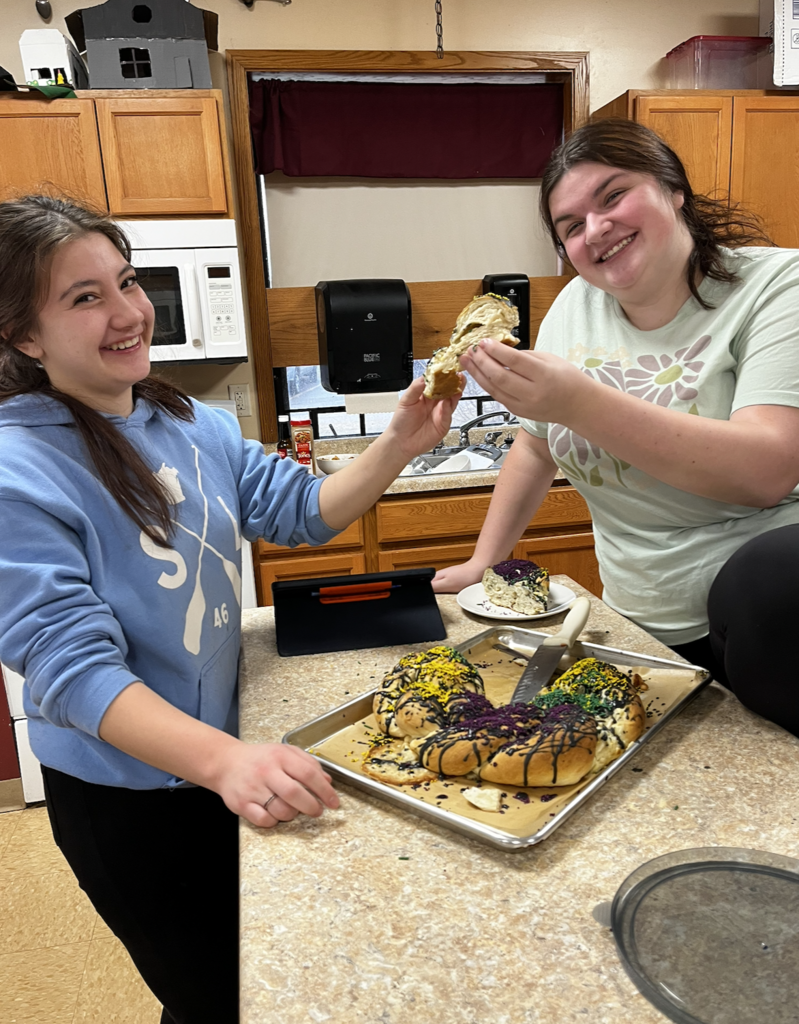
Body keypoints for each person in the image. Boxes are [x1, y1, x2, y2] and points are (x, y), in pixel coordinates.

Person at [0, 194, 461, 1024]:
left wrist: (399, 444)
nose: (127, 312)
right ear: (24, 337)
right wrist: (222, 762)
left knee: (259, 973)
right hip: (130, 799)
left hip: (215, 757)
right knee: (214, 997)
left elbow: (299, 510)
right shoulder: (17, 468)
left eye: (127, 282)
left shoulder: (186, 420)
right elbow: (72, 670)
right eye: (84, 297)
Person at [433, 118, 799, 739]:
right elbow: (535, 441)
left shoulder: (776, 286)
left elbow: (767, 471)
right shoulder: (578, 304)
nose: (596, 230)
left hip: (770, 627)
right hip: (639, 623)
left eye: (613, 197)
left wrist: (580, 401)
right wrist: (482, 563)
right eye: (571, 226)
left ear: (673, 188)